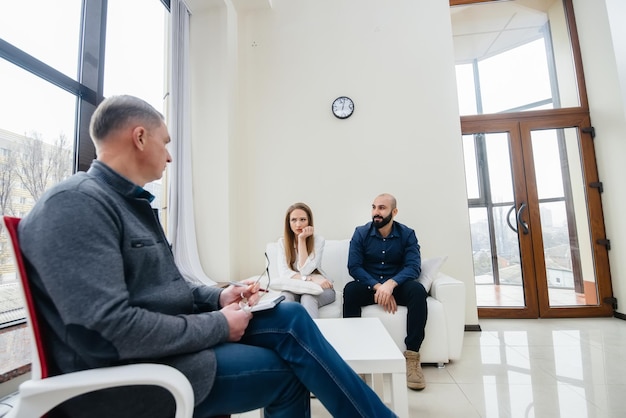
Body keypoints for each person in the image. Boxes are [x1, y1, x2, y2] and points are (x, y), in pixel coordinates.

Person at [18, 95, 397, 418]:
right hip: (131, 372)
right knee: (290, 372)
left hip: (164, 344)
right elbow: (105, 333)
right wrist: (217, 324)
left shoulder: (130, 206)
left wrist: (219, 296)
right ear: (139, 137)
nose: (168, 158)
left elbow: (165, 288)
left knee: (290, 314)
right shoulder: (77, 205)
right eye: (165, 144)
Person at [343, 193, 428, 391]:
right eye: (374, 207)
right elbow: (354, 267)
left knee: (417, 290)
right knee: (350, 290)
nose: (376, 212)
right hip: (370, 287)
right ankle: (356, 359)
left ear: (394, 212)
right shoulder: (361, 233)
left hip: (396, 287)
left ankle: (413, 358)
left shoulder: (407, 234)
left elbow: (414, 267)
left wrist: (390, 284)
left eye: (381, 208)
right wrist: (378, 286)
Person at [276, 202, 335, 318]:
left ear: (309, 221)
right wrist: (311, 279)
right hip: (294, 287)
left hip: (321, 287)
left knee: (307, 298)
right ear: (288, 223)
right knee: (286, 298)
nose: (298, 224)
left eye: (303, 219)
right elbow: (284, 273)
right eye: (293, 220)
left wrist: (302, 240)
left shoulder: (318, 241)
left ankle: (311, 336)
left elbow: (305, 270)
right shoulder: (282, 243)